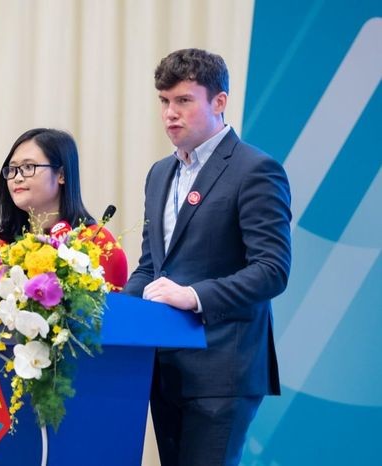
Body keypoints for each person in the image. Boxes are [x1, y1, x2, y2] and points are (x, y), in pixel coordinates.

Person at [123, 49, 292, 465]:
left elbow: (272, 270)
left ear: (219, 102)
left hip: (222, 370)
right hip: (166, 370)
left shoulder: (255, 170)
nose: (170, 113)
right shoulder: (160, 173)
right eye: (164, 101)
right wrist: (116, 312)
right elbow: (151, 266)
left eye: (183, 100)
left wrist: (193, 296)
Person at [0, 128, 128, 290]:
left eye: (28, 167)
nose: (17, 177)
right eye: (13, 169)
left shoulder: (98, 244)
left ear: (61, 175)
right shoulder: (6, 248)